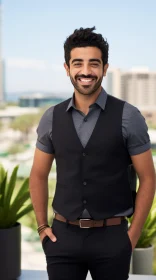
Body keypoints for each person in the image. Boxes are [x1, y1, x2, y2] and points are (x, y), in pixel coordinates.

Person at [29, 27, 156, 280]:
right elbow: (38, 175)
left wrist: (132, 236)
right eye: (78, 63)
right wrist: (42, 226)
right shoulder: (51, 118)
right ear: (67, 68)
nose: (86, 71)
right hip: (62, 238)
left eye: (94, 63)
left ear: (105, 68)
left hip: (112, 239)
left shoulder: (129, 117)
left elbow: (149, 179)